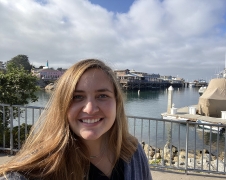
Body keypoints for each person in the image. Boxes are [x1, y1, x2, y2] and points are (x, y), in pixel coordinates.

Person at [0, 59, 152, 180]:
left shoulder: (133, 153)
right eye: (77, 97)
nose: (90, 109)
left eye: (102, 96)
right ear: (62, 105)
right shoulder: (36, 171)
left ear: (117, 103)